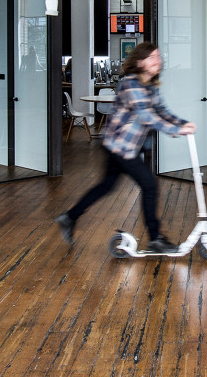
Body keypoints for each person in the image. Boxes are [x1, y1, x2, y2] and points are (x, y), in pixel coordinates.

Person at [55, 42, 195, 253]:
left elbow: (162, 111)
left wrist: (182, 123)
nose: (158, 61)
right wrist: (174, 129)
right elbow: (146, 115)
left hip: (122, 146)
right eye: (152, 58)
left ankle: (69, 217)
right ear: (139, 62)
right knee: (149, 185)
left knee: (106, 186)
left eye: (158, 56)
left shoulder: (150, 86)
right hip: (122, 147)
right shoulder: (131, 85)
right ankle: (155, 239)